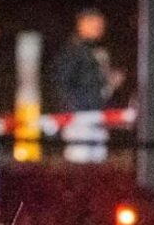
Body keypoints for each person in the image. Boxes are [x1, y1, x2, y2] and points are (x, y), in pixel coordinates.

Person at [51, 8, 124, 162]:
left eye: (100, 25)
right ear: (81, 24)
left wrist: (110, 81)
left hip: (97, 115)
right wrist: (72, 112)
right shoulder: (72, 51)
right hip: (79, 118)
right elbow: (62, 83)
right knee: (79, 161)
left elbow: (94, 82)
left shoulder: (97, 51)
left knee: (98, 162)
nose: (99, 28)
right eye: (94, 24)